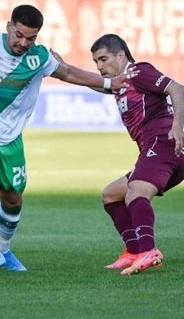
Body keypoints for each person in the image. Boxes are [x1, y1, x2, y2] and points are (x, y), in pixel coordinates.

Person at [0, 5, 134, 271]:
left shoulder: (40, 57)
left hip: (10, 138)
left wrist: (108, 85)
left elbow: (69, 72)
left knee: (13, 198)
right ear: (8, 26)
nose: (23, 43)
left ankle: (3, 248)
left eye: (31, 38)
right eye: (19, 35)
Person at [90, 33, 184, 275]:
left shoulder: (138, 72)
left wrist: (177, 125)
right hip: (157, 149)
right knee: (112, 195)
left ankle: (148, 250)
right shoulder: (122, 83)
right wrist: (63, 70)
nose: (100, 67)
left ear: (120, 56)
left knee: (136, 193)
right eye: (96, 62)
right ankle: (133, 251)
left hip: (164, 143)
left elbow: (177, 88)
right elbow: (97, 84)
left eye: (103, 59)